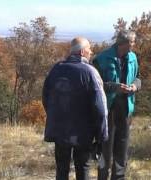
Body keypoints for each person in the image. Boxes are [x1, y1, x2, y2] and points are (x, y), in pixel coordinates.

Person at [42, 37, 108, 180]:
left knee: (61, 170)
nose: (91, 52)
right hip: (83, 132)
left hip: (60, 130)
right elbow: (100, 108)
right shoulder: (90, 72)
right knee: (83, 168)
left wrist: (55, 117)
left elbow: (46, 98)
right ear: (83, 52)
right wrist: (102, 136)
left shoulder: (56, 69)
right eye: (89, 49)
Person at [93, 30, 141, 180]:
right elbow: (94, 85)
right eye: (131, 43)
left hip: (126, 110)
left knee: (122, 150)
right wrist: (115, 87)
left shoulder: (133, 57)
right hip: (108, 111)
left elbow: (138, 78)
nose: (133, 46)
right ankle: (102, 177)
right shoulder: (102, 58)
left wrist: (134, 86)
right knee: (105, 151)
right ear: (122, 43)